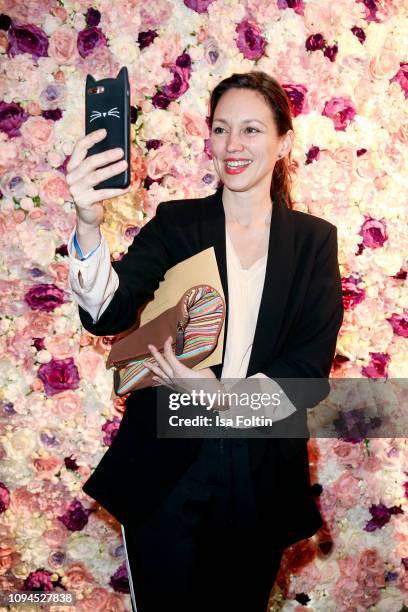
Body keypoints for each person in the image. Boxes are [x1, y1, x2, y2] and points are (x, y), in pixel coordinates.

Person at [67, 71, 344, 612]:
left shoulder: (314, 242)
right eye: (221, 130)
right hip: (166, 463)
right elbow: (108, 313)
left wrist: (217, 396)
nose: (233, 146)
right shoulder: (177, 223)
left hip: (259, 468)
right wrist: (86, 221)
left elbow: (308, 374)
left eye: (251, 130)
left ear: (283, 141)